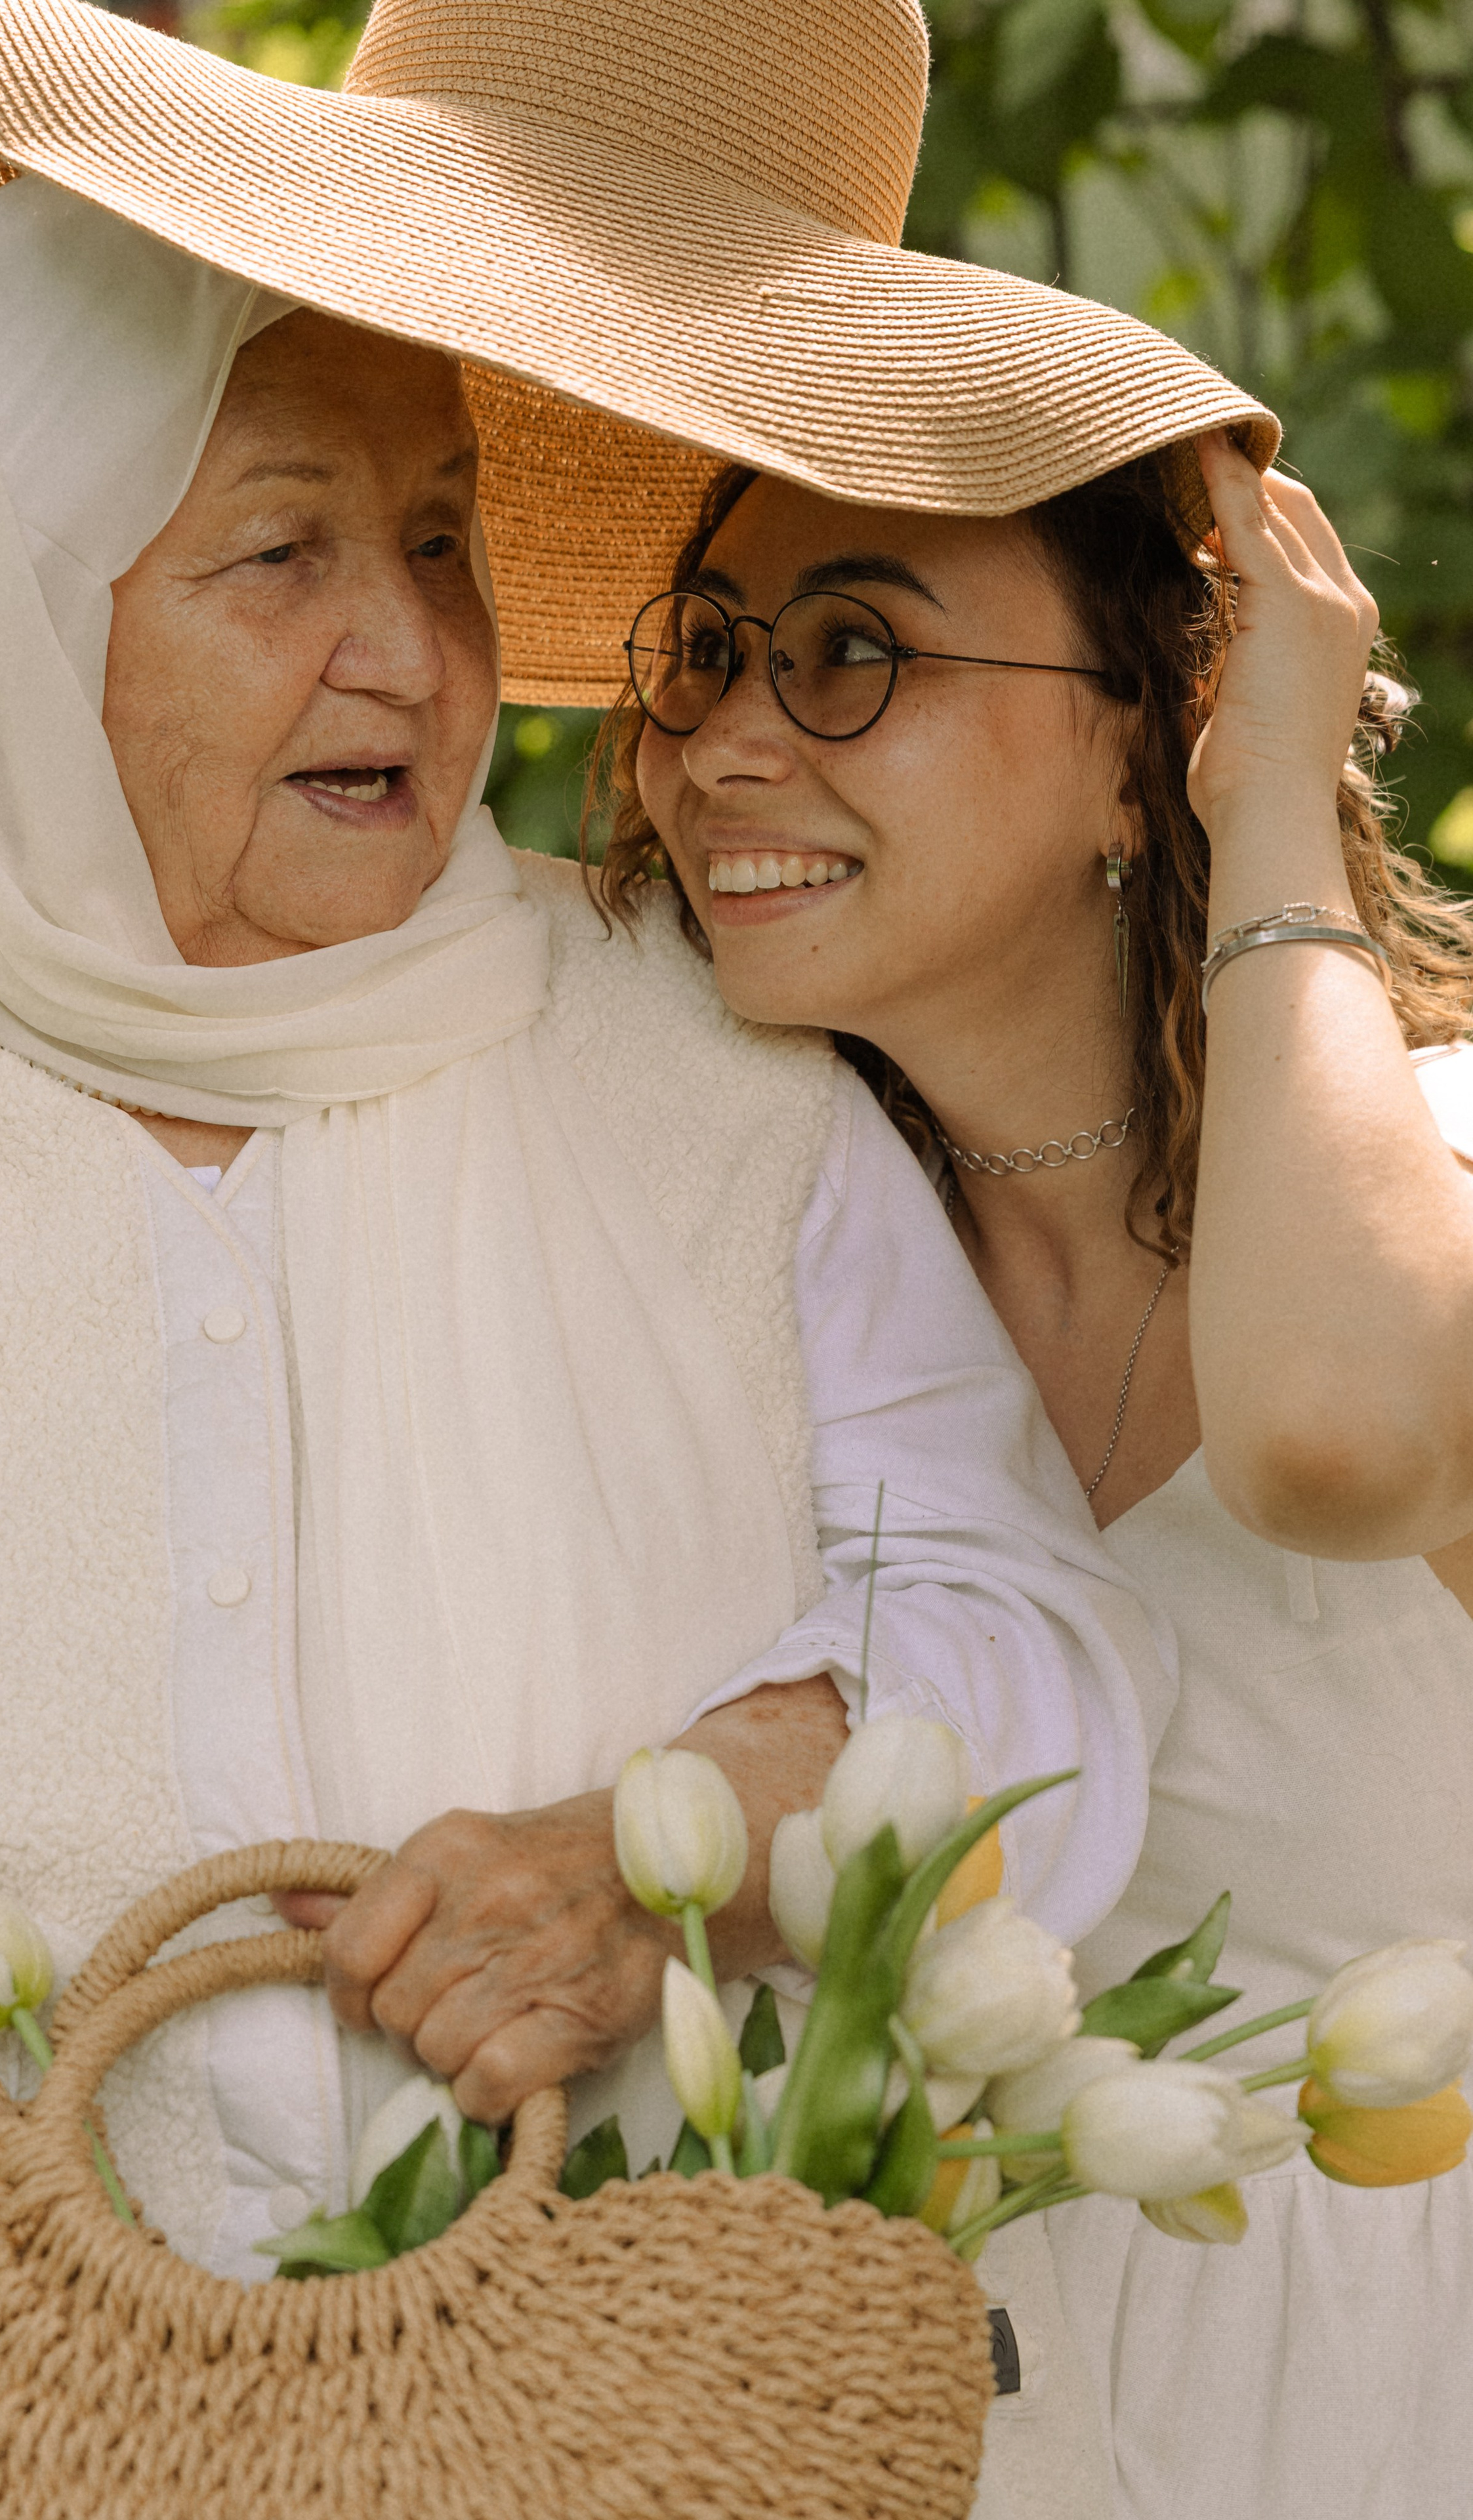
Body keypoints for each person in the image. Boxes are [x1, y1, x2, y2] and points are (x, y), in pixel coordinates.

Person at [0, 0, 1169, 2357]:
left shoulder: (697, 1063)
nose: (413, 653)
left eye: (443, 542)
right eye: (279, 551)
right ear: (40, 588)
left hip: (589, 2427)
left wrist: (666, 1852)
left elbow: (1039, 1655)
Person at [607, 382, 1473, 2509]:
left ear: (1141, 737)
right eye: (706, 651)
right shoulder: (752, 1258)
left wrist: (1275, 804)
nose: (725, 744)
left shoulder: (1432, 1181)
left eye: (854, 649)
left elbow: (1336, 1434)